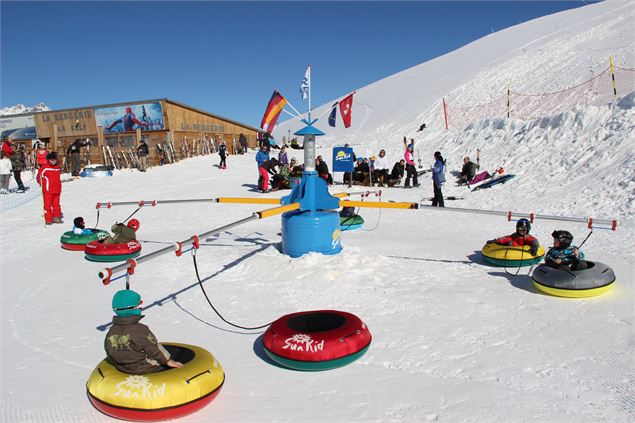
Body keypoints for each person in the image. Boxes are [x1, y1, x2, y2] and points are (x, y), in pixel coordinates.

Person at [105, 289, 183, 375]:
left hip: (124, 368)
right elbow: (153, 348)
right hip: (145, 368)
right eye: (139, 304)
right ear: (133, 308)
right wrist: (168, 360)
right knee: (175, 353)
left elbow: (109, 351)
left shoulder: (111, 332)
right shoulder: (140, 330)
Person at [36, 152, 63, 224]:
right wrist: (40, 182)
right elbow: (39, 176)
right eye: (52, 160)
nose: (53, 161)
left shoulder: (57, 167)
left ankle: (56, 217)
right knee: (47, 205)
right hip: (48, 189)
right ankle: (48, 219)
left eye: (54, 160)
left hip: (57, 189)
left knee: (56, 204)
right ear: (49, 160)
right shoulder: (45, 167)